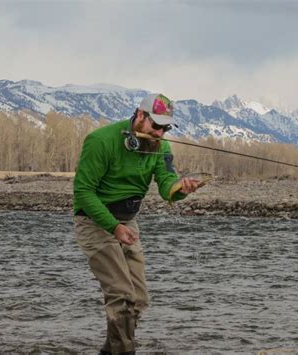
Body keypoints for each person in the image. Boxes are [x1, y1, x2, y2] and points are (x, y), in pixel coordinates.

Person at [73, 93, 199, 355]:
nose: (160, 133)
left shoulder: (161, 147)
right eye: (156, 126)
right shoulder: (101, 141)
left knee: (138, 300)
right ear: (139, 116)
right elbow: (83, 192)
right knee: (121, 295)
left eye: (165, 128)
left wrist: (182, 188)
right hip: (94, 220)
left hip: (128, 221)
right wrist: (114, 228)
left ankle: (111, 350)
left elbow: (167, 187)